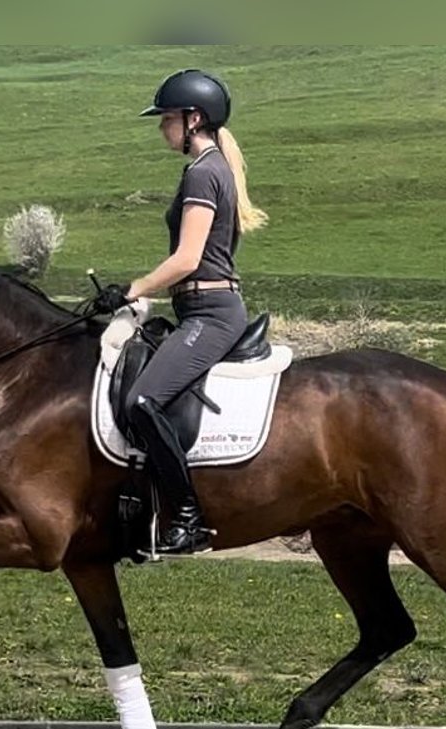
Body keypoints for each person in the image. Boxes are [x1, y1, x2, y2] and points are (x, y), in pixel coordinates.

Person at [96, 68, 268, 556]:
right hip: (200, 308)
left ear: (194, 119)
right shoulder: (213, 167)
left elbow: (187, 259)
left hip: (211, 314)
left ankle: (188, 518)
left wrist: (133, 289)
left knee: (142, 402)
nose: (161, 128)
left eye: (167, 118)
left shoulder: (202, 172)